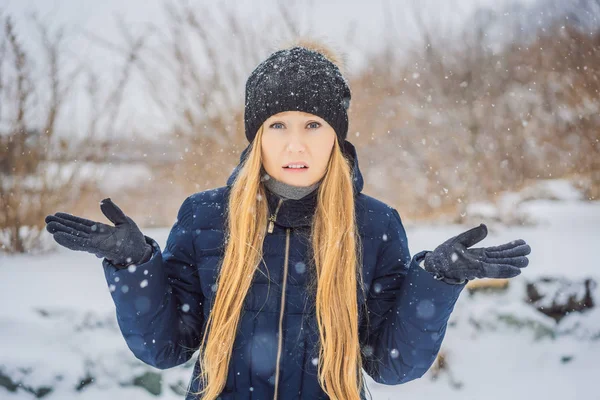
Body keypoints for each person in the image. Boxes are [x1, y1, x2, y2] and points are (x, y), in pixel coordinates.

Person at [45, 40, 531, 400]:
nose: (295, 144)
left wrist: (437, 280)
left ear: (335, 138)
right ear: (257, 137)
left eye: (312, 125)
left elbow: (389, 364)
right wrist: (136, 267)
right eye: (277, 125)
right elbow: (165, 347)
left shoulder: (375, 225)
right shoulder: (205, 216)